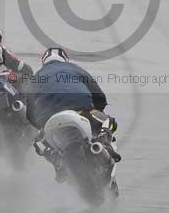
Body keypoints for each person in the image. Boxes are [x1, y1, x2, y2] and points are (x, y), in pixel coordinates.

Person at [26, 47, 119, 181]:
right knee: (109, 121)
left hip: (49, 118)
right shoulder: (74, 68)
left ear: (44, 61)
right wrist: (97, 109)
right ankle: (104, 138)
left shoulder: (37, 76)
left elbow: (30, 114)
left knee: (38, 141)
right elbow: (99, 95)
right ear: (64, 58)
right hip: (80, 109)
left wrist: (40, 123)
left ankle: (56, 159)